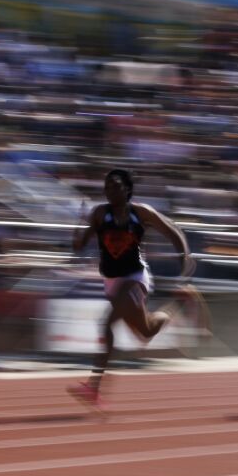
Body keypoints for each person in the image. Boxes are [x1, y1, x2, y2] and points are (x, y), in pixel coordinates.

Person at [66, 169, 195, 411]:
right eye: (106, 187)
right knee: (144, 333)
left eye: (115, 186)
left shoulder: (141, 212)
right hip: (112, 280)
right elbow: (78, 246)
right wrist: (79, 224)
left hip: (136, 277)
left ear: (127, 189)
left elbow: (172, 230)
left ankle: (94, 387)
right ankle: (178, 304)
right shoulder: (99, 214)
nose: (110, 191)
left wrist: (184, 255)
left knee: (106, 324)